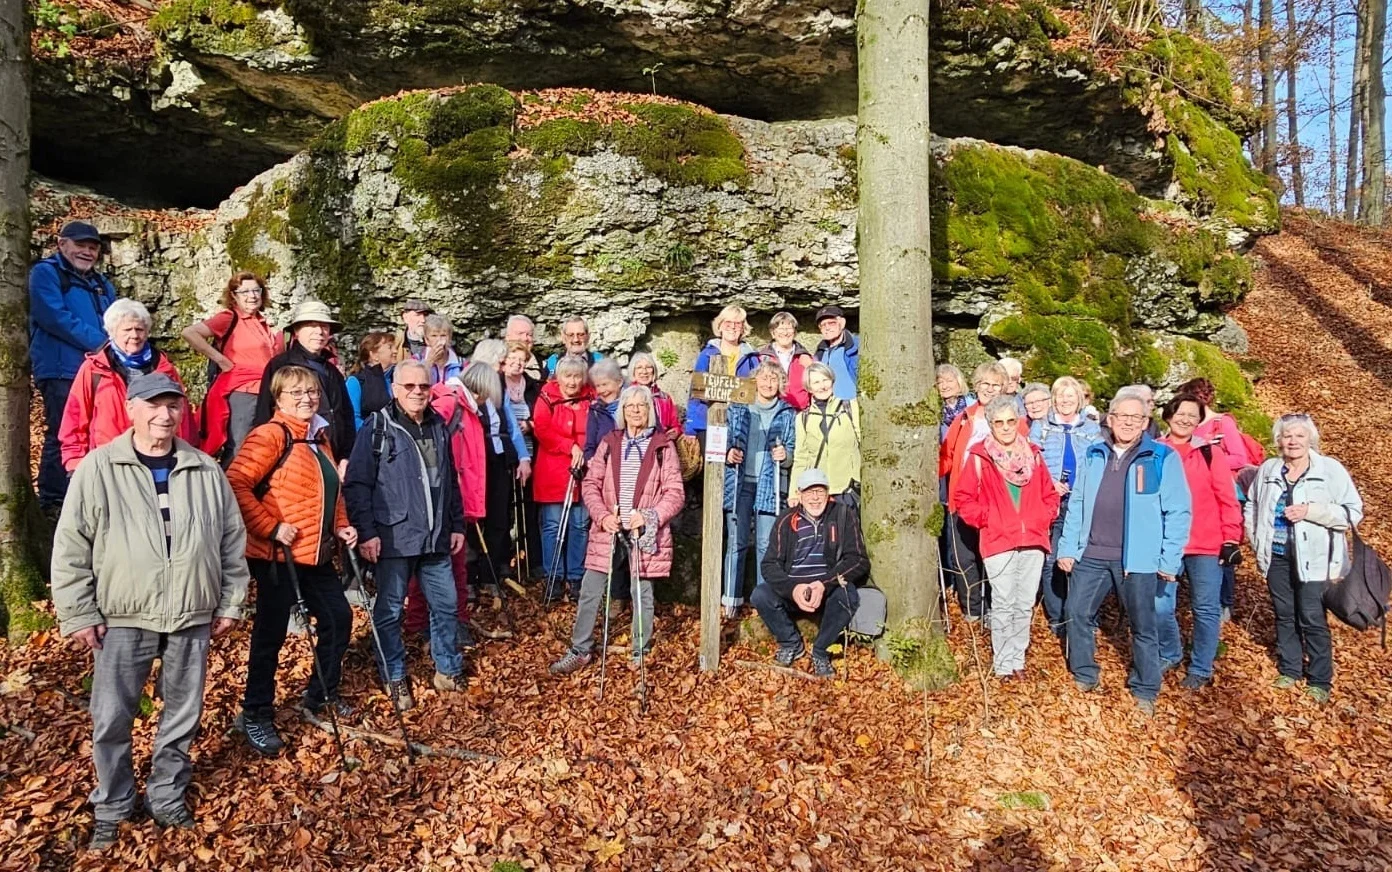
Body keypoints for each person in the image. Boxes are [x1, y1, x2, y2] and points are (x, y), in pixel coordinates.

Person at [52, 373, 248, 850]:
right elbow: (71, 545)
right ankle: (114, 803)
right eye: (154, 406)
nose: (165, 415)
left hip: (191, 611)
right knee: (112, 717)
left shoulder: (203, 469)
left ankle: (166, 794)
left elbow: (230, 543)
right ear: (132, 409)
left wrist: (230, 601)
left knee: (182, 713)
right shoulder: (99, 468)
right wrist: (78, 612)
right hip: (123, 614)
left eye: (172, 406)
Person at [226, 366, 357, 755]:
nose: (306, 398)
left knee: (338, 618)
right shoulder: (271, 435)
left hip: (315, 552)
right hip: (276, 555)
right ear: (278, 398)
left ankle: (320, 694)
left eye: (312, 392)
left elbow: (332, 490)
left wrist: (343, 525)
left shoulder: (319, 438)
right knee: (271, 634)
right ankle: (256, 712)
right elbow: (235, 481)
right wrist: (269, 527)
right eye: (296, 393)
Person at [1056, 395, 1191, 717]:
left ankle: (1145, 687)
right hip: (1091, 553)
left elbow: (1178, 511)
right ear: (1110, 420)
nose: (1129, 422)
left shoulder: (1160, 457)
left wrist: (1169, 558)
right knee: (1077, 612)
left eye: (1136, 417)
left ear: (1146, 422)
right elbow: (1077, 504)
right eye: (1122, 416)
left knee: (1144, 625)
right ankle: (1084, 672)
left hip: (1139, 560)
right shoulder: (1094, 453)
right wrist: (1067, 548)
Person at [343, 360, 468, 708]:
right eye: (409, 387)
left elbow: (450, 481)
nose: (417, 393)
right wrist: (367, 532)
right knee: (390, 611)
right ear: (395, 389)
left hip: (435, 537)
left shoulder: (438, 425)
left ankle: (447, 668)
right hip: (394, 536)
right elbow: (357, 484)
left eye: (423, 387)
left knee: (446, 606)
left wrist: (456, 524)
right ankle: (394, 676)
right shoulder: (378, 427)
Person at [549, 386, 685, 674]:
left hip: (642, 531)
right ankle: (580, 649)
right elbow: (591, 484)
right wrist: (601, 517)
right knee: (590, 590)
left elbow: (674, 493)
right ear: (622, 411)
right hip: (609, 528)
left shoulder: (663, 446)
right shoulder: (610, 442)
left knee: (642, 592)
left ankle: (641, 649)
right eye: (630, 406)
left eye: (641, 406)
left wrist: (649, 516)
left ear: (650, 411)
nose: (635, 410)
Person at [1244, 414, 1362, 704]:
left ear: (1311, 439)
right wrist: (1256, 538)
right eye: (1287, 436)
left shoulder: (1330, 470)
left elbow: (1352, 512)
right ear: (1278, 441)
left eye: (1299, 436)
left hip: (1317, 559)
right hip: (1277, 555)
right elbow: (1252, 504)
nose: (1293, 441)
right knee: (1284, 614)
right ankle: (1290, 669)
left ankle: (1320, 679)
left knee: (1311, 616)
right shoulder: (1269, 469)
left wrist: (1312, 511)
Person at [953, 396, 1060, 678]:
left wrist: (1043, 516)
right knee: (1003, 602)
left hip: (1033, 539)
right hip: (998, 539)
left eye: (1010, 421)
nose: (1005, 427)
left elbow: (1049, 494)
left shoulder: (1034, 455)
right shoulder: (980, 456)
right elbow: (963, 498)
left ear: (1019, 422)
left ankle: (1017, 659)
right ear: (990, 425)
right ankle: (1003, 664)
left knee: (1024, 603)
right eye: (998, 422)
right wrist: (987, 519)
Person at [30, 220, 117, 516]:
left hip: (99, 370)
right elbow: (53, 316)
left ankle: (87, 496)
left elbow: (116, 318)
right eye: (80, 245)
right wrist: (103, 344)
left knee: (97, 431)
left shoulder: (101, 284)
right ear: (62, 244)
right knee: (63, 432)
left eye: (93, 248)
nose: (87, 252)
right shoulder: (46, 273)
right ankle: (54, 500)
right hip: (61, 368)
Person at [1156, 395, 1242, 690]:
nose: (1186, 419)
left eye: (1193, 415)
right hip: (1166, 542)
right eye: (1181, 413)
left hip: (1206, 543)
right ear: (1168, 415)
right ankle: (1170, 651)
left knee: (1205, 609)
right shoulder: (1156, 451)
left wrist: (1231, 537)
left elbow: (1227, 498)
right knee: (1159, 604)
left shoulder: (1209, 453)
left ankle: (1201, 667)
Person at [753, 469, 870, 678]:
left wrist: (824, 583)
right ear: (799, 494)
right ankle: (790, 642)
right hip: (794, 588)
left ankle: (821, 650)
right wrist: (793, 588)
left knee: (848, 595)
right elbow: (769, 564)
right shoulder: (785, 520)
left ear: (828, 493)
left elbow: (858, 560)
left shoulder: (843, 515)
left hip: (827, 588)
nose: (815, 498)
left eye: (819, 491)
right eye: (809, 492)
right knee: (760, 595)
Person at [60, 299, 195, 473]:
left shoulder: (165, 369)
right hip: (109, 462)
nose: (134, 336)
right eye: (127, 330)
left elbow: (184, 420)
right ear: (112, 332)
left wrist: (186, 458)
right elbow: (75, 418)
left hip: (159, 459)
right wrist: (75, 464)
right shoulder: (94, 369)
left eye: (139, 329)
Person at [403, 377, 487, 647]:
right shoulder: (451, 404)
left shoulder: (464, 407)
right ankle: (425, 622)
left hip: (453, 497)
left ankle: (449, 621)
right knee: (435, 564)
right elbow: (430, 445)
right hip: (441, 498)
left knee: (454, 564)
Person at [939, 362, 1018, 622]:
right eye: (985, 384)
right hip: (962, 498)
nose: (989, 389)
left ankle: (998, 608)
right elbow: (946, 457)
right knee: (963, 558)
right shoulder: (965, 418)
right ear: (976, 386)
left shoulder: (1014, 420)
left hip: (998, 501)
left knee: (994, 558)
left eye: (996, 385)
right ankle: (973, 610)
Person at [183, 271, 284, 465]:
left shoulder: (262, 323)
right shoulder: (229, 317)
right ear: (234, 296)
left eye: (256, 290)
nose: (252, 295)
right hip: (242, 391)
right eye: (244, 291)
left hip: (265, 391)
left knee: (261, 445)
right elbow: (190, 333)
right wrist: (220, 360)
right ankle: (231, 491)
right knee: (240, 446)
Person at [723, 360, 797, 616]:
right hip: (740, 483)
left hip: (769, 485)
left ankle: (762, 603)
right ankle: (730, 600)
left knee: (766, 544)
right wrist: (728, 453)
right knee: (737, 542)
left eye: (773, 379)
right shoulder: (739, 409)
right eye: (763, 378)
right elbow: (725, 440)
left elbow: (792, 450)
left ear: (780, 384)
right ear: (754, 381)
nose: (768, 383)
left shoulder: (788, 413)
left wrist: (784, 455)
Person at [1028, 376, 1101, 635]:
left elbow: (1097, 465)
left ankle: (1083, 614)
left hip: (1081, 501)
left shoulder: (1092, 429)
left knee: (1084, 559)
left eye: (1070, 396)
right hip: (1052, 500)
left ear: (1079, 399)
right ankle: (1057, 617)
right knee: (1052, 559)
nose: (1065, 401)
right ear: (1054, 399)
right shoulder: (1041, 427)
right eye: (1060, 396)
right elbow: (1032, 462)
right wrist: (1049, 483)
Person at [255, 300, 356, 462]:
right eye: (312, 325)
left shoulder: (332, 371)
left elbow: (346, 415)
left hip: (333, 458)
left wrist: (346, 456)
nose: (319, 332)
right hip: (293, 456)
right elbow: (264, 413)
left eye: (324, 326)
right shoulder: (281, 365)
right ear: (297, 330)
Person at [533, 357, 596, 599]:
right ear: (558, 378)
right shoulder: (546, 397)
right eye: (567, 376)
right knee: (552, 525)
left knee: (580, 525)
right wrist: (569, 446)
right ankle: (554, 576)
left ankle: (576, 576)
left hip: (584, 470)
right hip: (553, 469)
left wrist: (586, 452)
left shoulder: (591, 397)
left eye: (577, 376)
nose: (572, 381)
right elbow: (542, 429)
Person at [459, 361, 523, 594]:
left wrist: (520, 457)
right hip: (474, 463)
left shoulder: (497, 394)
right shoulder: (460, 401)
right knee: (473, 520)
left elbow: (510, 427)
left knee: (499, 518)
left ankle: (490, 575)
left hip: (498, 460)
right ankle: (468, 576)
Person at [788, 362, 861, 508]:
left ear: (832, 381)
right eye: (816, 382)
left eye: (825, 380)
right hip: (818, 490)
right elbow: (801, 457)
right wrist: (794, 493)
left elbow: (862, 442)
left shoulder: (850, 408)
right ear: (809, 388)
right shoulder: (803, 418)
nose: (822, 386)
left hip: (849, 489)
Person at [685, 305, 761, 440]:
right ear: (719, 326)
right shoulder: (707, 354)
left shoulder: (752, 357)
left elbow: (758, 391)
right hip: (708, 421)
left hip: (741, 423)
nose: (732, 327)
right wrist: (691, 426)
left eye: (737, 323)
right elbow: (695, 390)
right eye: (728, 322)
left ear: (743, 328)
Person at [504, 341, 544, 580]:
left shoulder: (533, 387)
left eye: (522, 360)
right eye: (513, 359)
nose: (517, 364)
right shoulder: (497, 384)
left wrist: (530, 425)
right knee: (504, 512)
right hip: (505, 456)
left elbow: (543, 417)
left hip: (532, 453)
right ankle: (504, 563)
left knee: (529, 510)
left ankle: (533, 562)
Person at [759, 311, 813, 410]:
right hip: (773, 412)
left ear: (795, 332)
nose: (785, 332)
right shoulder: (762, 359)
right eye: (780, 329)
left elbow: (814, 387)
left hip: (801, 413)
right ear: (773, 333)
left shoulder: (806, 359)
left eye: (789, 328)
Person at [346, 331, 397, 430]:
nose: (395, 351)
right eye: (390, 347)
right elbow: (353, 418)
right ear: (374, 355)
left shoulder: (397, 378)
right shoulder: (356, 382)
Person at [812, 305, 859, 400]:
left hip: (853, 406)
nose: (827, 328)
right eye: (823, 325)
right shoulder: (820, 352)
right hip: (829, 408)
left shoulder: (857, 346)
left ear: (842, 323)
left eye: (831, 323)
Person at [627, 352, 680, 434]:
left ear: (654, 370)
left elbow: (675, 425)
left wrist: (675, 432)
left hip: (662, 441)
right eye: (639, 367)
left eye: (648, 367)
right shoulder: (627, 397)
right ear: (633, 372)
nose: (644, 372)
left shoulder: (664, 398)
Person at [584, 358, 626, 460]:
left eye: (605, 384)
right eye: (598, 386)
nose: (602, 390)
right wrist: (591, 461)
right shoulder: (595, 411)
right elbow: (590, 446)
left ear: (619, 382)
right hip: (605, 468)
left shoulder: (634, 404)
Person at [418, 313, 463, 385]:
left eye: (443, 335)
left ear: (450, 338)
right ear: (426, 340)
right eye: (434, 336)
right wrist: (428, 362)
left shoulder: (461, 364)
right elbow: (415, 383)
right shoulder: (416, 360)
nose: (439, 340)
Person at [936, 363, 972, 446]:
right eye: (940, 382)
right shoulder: (936, 410)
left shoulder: (972, 405)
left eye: (949, 381)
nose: (944, 386)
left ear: (959, 383)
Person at [504, 313, 544, 379]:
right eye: (520, 333)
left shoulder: (544, 366)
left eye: (529, 335)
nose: (525, 338)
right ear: (507, 336)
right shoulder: (495, 363)